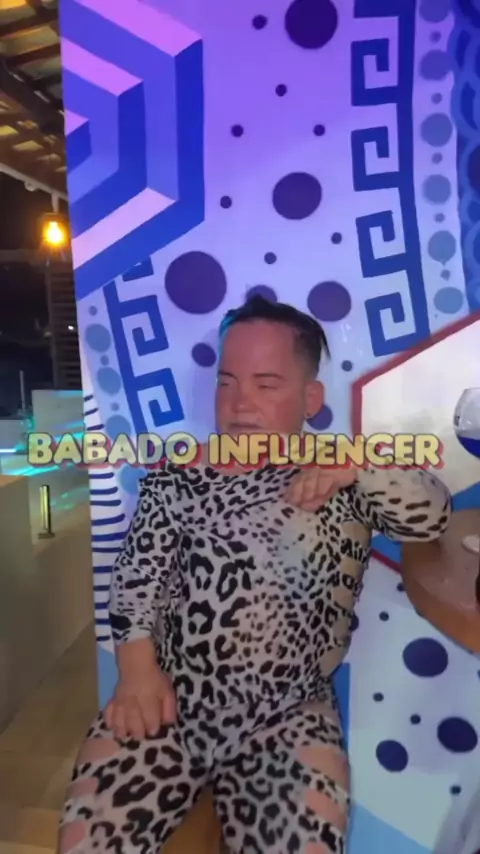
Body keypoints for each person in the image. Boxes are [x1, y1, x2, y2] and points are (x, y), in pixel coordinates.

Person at [59, 296, 451, 854]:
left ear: (310, 398)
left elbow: (430, 518)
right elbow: (136, 577)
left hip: (289, 712)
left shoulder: (339, 470)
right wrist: (137, 670)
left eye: (266, 384)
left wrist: (359, 468)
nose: (240, 402)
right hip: (171, 697)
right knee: (85, 841)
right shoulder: (180, 474)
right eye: (227, 382)